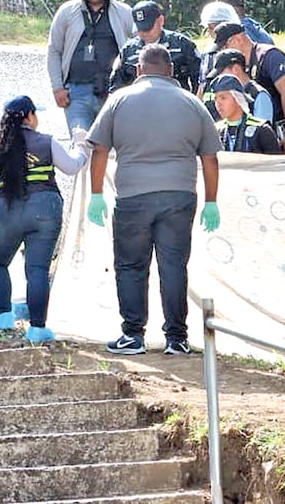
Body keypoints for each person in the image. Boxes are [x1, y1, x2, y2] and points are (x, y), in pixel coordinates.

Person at [86, 44, 222, 356]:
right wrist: (211, 200)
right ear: (171, 71)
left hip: (133, 196)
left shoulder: (118, 100)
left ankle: (133, 336)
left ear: (138, 70)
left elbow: (99, 150)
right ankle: (177, 338)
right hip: (180, 196)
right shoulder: (192, 103)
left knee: (132, 266)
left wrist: (96, 195)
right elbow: (210, 158)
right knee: (174, 266)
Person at [0, 96, 90, 343]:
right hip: (45, 209)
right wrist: (81, 146)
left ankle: (3, 315)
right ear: (29, 116)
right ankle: (37, 329)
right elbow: (71, 167)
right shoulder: (46, 142)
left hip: (6, 211)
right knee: (37, 269)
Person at [46, 0, 134, 133]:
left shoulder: (123, 12)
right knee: (80, 148)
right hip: (76, 93)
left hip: (113, 93)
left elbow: (137, 49)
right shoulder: (66, 12)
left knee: (117, 148)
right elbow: (54, 50)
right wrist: (57, 88)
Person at [214, 22, 285, 156]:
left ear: (237, 39)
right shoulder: (243, 66)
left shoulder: (270, 56)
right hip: (269, 137)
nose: (223, 51)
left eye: (224, 46)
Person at [109, 0, 200, 94]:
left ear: (161, 20)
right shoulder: (127, 51)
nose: (144, 33)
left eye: (148, 28)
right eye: (140, 29)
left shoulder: (182, 45)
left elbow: (199, 78)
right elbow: (116, 86)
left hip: (176, 102)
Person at [212, 75, 281, 154]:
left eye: (223, 98)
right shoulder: (216, 131)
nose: (218, 103)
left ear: (238, 98)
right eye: (215, 99)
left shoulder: (261, 130)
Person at [203, 49, 273, 122]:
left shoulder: (259, 95)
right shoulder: (225, 93)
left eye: (221, 73)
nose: (219, 78)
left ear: (236, 69)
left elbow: (263, 128)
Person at [196, 1, 240, 93]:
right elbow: (202, 83)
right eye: (207, 28)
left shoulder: (241, 51)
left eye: (212, 28)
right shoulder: (207, 52)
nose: (209, 32)